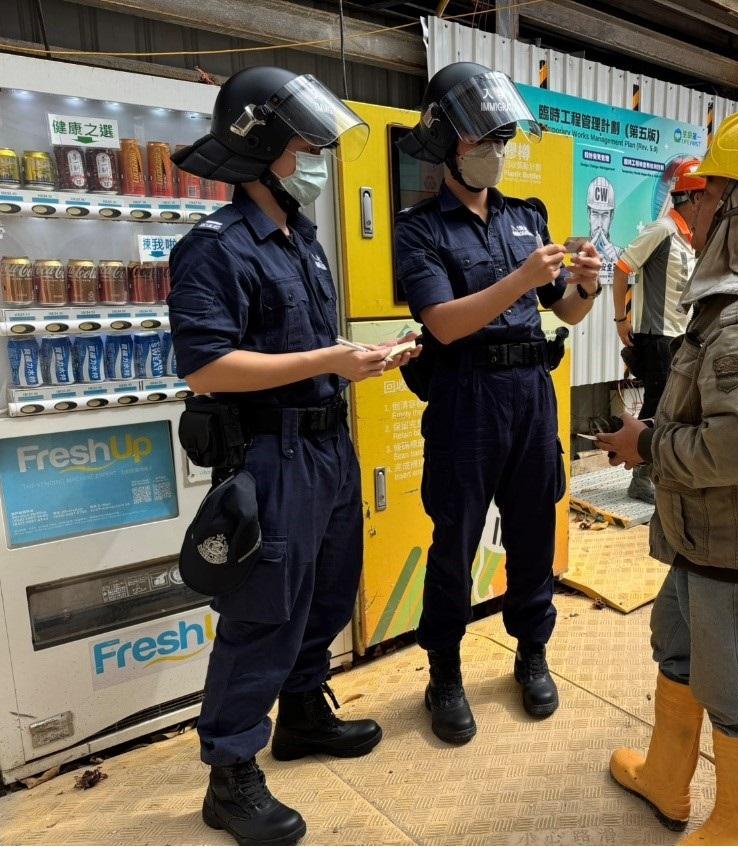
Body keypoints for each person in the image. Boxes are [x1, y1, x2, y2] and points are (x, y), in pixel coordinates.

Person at [168, 67, 418, 846]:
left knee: (326, 589)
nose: (319, 158)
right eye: (308, 145)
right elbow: (206, 367)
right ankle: (229, 770)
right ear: (265, 148)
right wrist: (331, 362)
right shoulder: (214, 248)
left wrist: (359, 360)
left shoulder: (300, 237)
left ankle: (303, 711)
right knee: (261, 612)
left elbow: (312, 351)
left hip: (326, 446)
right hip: (270, 458)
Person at [597, 107, 738, 845]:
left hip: (736, 535)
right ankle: (667, 781)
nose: (687, 204)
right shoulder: (737, 296)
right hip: (712, 531)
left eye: (701, 191)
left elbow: (735, 449)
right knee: (680, 645)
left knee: (732, 680)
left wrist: (647, 447)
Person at [395, 62, 602, 744]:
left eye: (504, 138)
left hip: (529, 396)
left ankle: (531, 652)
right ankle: (444, 672)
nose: (498, 150)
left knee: (532, 533)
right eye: (486, 138)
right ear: (449, 144)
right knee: (453, 539)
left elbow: (564, 313)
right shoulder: (419, 229)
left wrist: (587, 287)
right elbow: (444, 323)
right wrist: (519, 278)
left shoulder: (525, 216)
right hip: (464, 400)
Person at [612, 159, 705, 503]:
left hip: (680, 336)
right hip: (657, 336)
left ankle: (652, 470)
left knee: (672, 406)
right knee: (657, 403)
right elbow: (623, 268)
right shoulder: (663, 229)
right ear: (694, 199)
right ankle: (639, 476)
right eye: (707, 198)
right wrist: (621, 320)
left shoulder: (689, 237)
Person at [587, 175, 621, 286]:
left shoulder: (620, 254)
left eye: (605, 215)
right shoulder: (576, 252)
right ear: (589, 215)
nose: (600, 223)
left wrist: (616, 261)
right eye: (595, 214)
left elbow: (632, 282)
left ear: (611, 217)